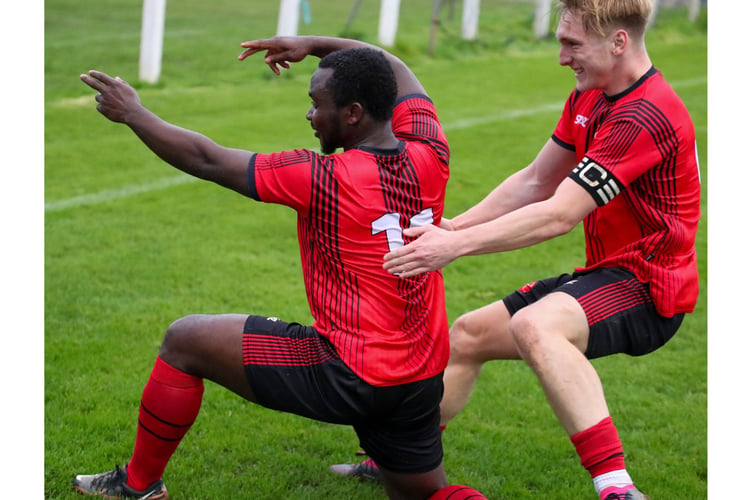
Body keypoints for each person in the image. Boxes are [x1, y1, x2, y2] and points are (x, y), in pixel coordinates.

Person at [73, 35, 488, 500]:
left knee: (184, 339)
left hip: (349, 371)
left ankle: (138, 484)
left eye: (317, 104)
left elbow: (206, 159)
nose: (310, 115)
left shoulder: (323, 177)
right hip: (421, 376)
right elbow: (389, 64)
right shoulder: (431, 151)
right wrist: (310, 44)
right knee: (427, 496)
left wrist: (134, 113)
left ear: (352, 114)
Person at [333, 1, 700, 499]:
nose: (562, 57)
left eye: (573, 44)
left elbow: (559, 213)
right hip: (610, 273)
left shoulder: (644, 115)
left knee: (535, 325)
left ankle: (617, 489)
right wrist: (451, 226)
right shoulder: (591, 98)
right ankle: (399, 462)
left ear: (618, 42)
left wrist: (454, 246)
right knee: (469, 335)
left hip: (651, 287)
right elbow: (535, 181)